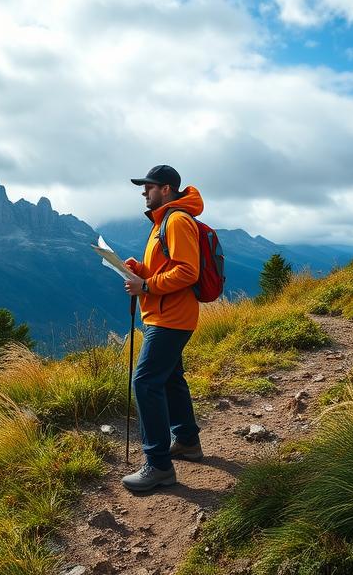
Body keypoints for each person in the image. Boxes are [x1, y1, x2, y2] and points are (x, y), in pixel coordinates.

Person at [121, 164, 204, 492]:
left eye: (149, 187)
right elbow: (164, 268)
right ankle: (186, 442)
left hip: (170, 318)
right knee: (169, 378)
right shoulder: (164, 221)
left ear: (166, 189)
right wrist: (139, 271)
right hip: (165, 313)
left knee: (144, 382)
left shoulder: (178, 220)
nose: (144, 192)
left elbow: (188, 272)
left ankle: (158, 465)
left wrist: (147, 286)